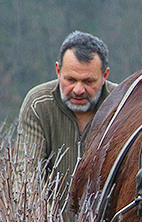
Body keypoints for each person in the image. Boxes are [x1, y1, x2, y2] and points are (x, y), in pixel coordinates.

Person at [17, 31, 117, 189]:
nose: (78, 90)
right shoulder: (38, 104)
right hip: (48, 212)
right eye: (70, 80)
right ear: (58, 71)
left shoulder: (122, 103)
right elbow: (26, 174)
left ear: (105, 75)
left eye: (88, 81)